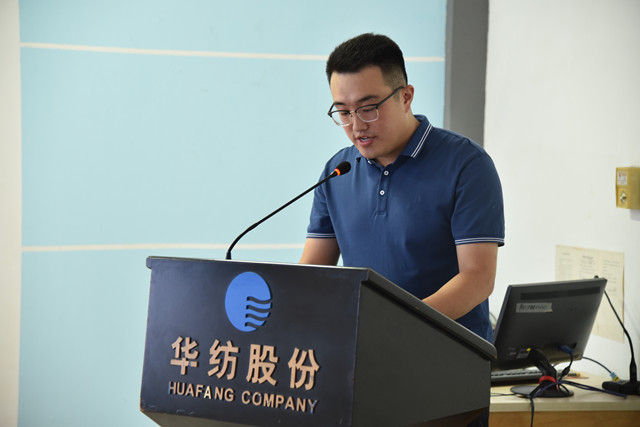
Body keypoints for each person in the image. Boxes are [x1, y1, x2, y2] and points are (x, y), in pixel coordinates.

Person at [299, 33, 503, 427]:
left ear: (406, 96)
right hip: (363, 370)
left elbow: (478, 278)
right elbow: (313, 273)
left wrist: (398, 330)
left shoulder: (466, 164)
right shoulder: (338, 170)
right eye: (343, 111)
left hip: (447, 375)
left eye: (369, 108)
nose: (356, 125)